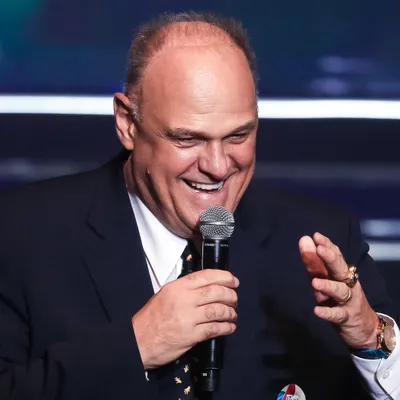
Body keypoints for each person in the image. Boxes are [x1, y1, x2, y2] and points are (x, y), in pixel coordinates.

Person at [0, 11, 399, 400]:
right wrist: (135, 347)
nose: (218, 166)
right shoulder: (20, 235)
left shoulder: (321, 241)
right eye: (188, 139)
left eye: (238, 136)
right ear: (127, 124)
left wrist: (370, 338)